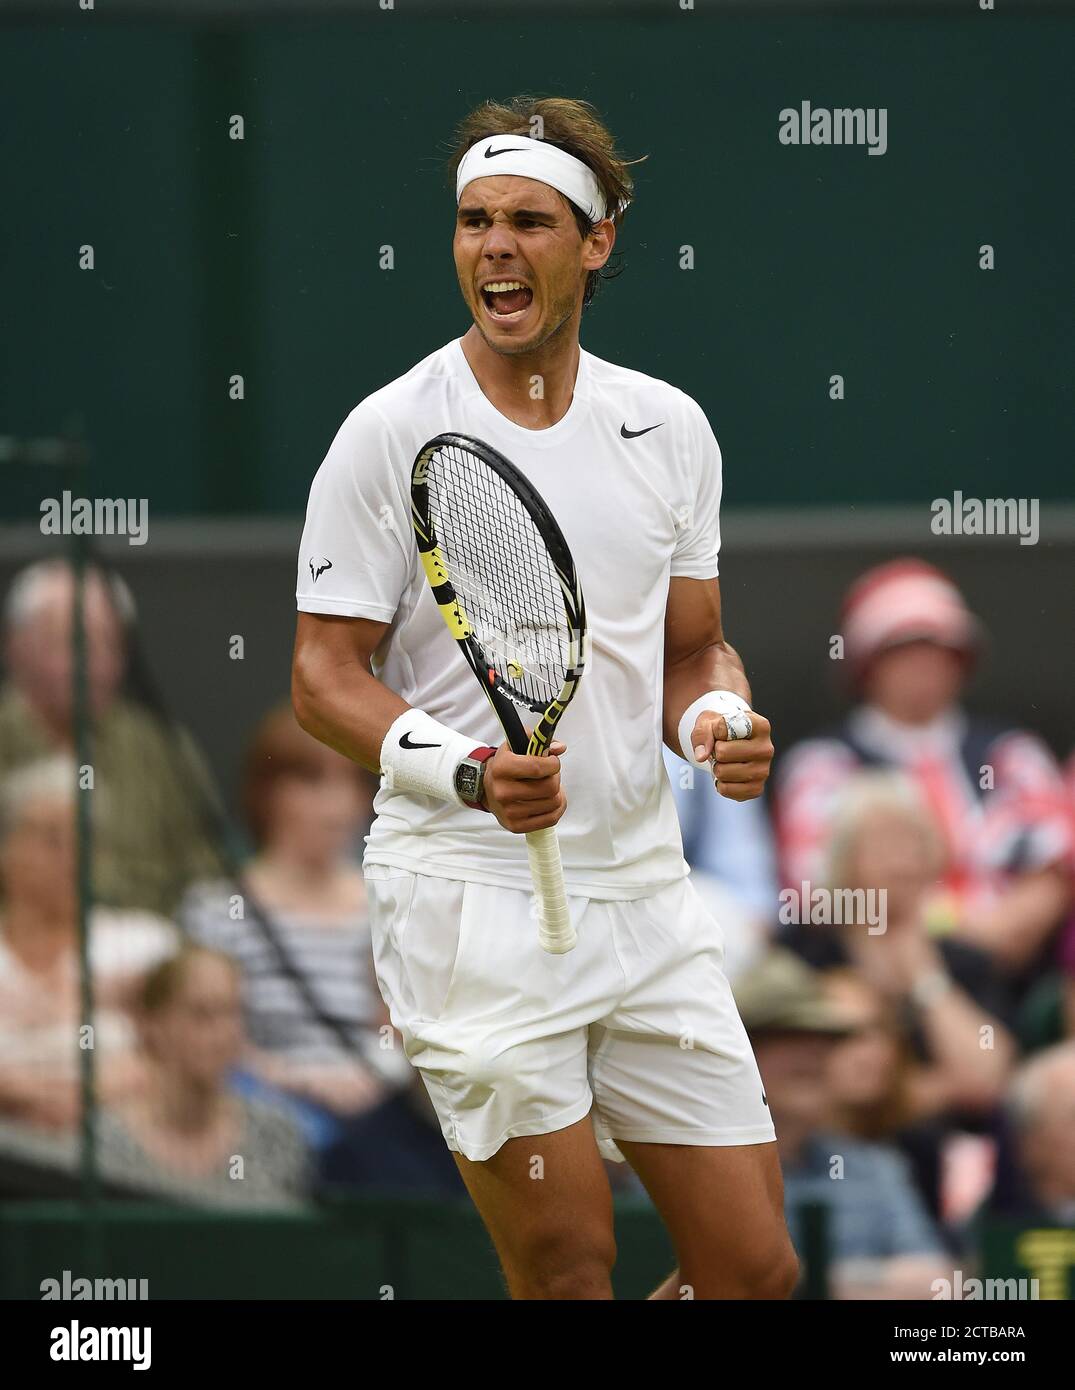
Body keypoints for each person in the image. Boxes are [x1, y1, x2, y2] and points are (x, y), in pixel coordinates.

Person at [291, 96, 792, 1300]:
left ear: (597, 241)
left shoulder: (668, 429)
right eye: (472, 222)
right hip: (469, 907)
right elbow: (321, 677)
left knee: (754, 1271)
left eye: (526, 220)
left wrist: (714, 723)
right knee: (568, 1265)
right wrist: (459, 767)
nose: (493, 247)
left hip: (643, 896)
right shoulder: (387, 431)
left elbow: (693, 651)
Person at [775, 559, 1072, 979]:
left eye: (938, 649)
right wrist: (931, 949)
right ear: (865, 663)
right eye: (902, 650)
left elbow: (1052, 877)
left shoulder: (1013, 754)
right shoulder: (820, 766)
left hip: (1006, 981)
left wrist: (961, 943)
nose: (923, 666)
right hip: (870, 980)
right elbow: (816, 895)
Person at [180, 704, 409, 1136]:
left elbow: (399, 1030)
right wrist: (293, 1080)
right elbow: (199, 1034)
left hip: (372, 1123)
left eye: (351, 782)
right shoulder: (213, 911)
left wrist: (371, 1078)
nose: (338, 805)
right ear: (267, 794)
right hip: (256, 1118)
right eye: (312, 782)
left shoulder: (391, 904)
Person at [0, 560, 221, 915]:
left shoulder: (160, 747)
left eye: (108, 643)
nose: (91, 660)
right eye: (72, 641)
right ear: (16, 645)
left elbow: (205, 867)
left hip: (147, 947)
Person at [734, 949, 949, 1299]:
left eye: (827, 1039)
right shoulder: (688, 1168)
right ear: (741, 1050)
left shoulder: (875, 1167)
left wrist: (816, 1281)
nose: (813, 1054)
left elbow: (935, 1281)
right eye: (786, 1037)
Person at [0, 757, 177, 1132]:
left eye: (85, 839)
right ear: (6, 848)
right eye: (51, 838)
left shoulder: (145, 942)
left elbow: (184, 1055)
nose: (71, 855)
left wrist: (87, 1095)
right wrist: (22, 1094)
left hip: (119, 1145)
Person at [97, 946, 309, 1207]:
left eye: (233, 1013)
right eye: (202, 1015)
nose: (224, 1034)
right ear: (153, 1025)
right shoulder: (104, 1142)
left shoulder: (276, 1137)